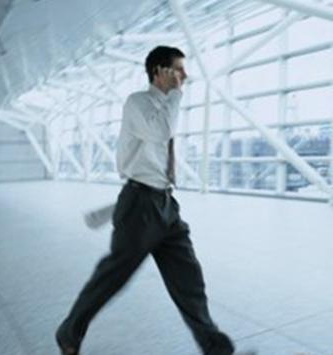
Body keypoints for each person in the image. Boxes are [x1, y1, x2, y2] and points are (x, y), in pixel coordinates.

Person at [55, 46, 255, 355]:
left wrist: (172, 98)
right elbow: (161, 133)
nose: (184, 76)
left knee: (189, 278)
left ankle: (216, 348)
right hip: (140, 206)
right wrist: (175, 95)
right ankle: (69, 332)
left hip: (165, 204)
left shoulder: (163, 108)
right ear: (159, 72)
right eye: (178, 69)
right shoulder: (138, 103)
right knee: (112, 276)